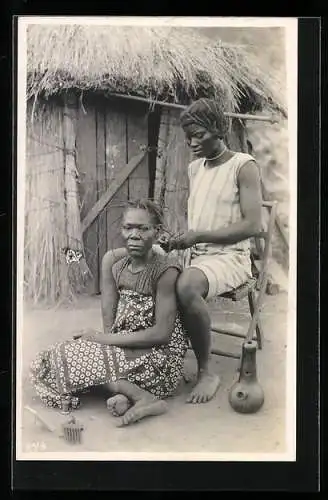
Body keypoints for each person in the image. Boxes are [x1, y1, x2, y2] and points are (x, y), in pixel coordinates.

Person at [102, 98, 262, 405]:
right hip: (194, 254)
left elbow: (253, 225)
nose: (191, 142)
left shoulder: (243, 165)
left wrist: (198, 236)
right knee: (113, 259)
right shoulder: (194, 169)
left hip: (229, 258)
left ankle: (206, 371)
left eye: (199, 134)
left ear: (219, 129)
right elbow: (202, 215)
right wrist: (179, 241)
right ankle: (113, 341)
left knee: (185, 283)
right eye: (188, 135)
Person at [29, 200, 188, 426]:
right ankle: (130, 393)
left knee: (68, 358)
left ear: (157, 232)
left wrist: (101, 340)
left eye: (143, 229)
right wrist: (100, 346)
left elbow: (161, 334)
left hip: (158, 360)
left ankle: (144, 396)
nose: (134, 235)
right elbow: (114, 324)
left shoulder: (165, 271)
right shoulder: (119, 267)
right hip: (128, 352)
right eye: (128, 228)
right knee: (54, 356)